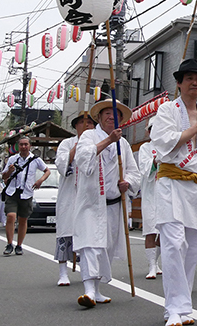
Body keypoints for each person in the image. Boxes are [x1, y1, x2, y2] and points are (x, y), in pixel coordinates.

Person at [149, 58, 197, 326]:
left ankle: (183, 308)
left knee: (192, 246)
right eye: (190, 78)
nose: (195, 82)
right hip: (170, 183)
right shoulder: (167, 110)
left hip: (196, 187)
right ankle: (173, 308)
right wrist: (195, 128)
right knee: (173, 244)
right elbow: (164, 143)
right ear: (179, 83)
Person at [73, 98, 141, 308]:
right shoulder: (89, 136)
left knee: (105, 247)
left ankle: (97, 289)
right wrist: (108, 141)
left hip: (113, 205)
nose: (112, 117)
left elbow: (134, 171)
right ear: (100, 117)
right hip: (91, 202)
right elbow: (82, 158)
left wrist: (127, 182)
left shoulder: (124, 144)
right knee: (90, 244)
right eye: (108, 114)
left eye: (116, 115)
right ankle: (88, 289)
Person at [53, 112, 95, 286]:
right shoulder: (67, 143)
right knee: (65, 231)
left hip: (88, 196)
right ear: (75, 126)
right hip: (69, 195)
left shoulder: (96, 143)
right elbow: (61, 164)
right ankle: (63, 272)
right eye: (82, 123)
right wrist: (77, 147)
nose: (86, 126)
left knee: (88, 235)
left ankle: (87, 272)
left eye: (90, 123)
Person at [1, 136, 50, 256]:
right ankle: (9, 244)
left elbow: (47, 171)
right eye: (21, 144)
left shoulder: (35, 160)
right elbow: (4, 176)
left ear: (30, 146)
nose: (23, 147)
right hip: (12, 192)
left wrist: (40, 180)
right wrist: (10, 171)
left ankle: (19, 245)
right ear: (18, 146)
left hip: (27, 193)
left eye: (26, 144)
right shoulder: (13, 159)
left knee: (23, 219)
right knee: (11, 216)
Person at [138, 121, 162, 280]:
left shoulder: (169, 145)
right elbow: (144, 168)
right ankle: (151, 265)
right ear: (148, 132)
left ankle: (156, 261)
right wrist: (155, 161)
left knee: (164, 232)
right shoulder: (145, 148)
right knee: (150, 230)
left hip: (166, 195)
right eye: (152, 129)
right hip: (150, 195)